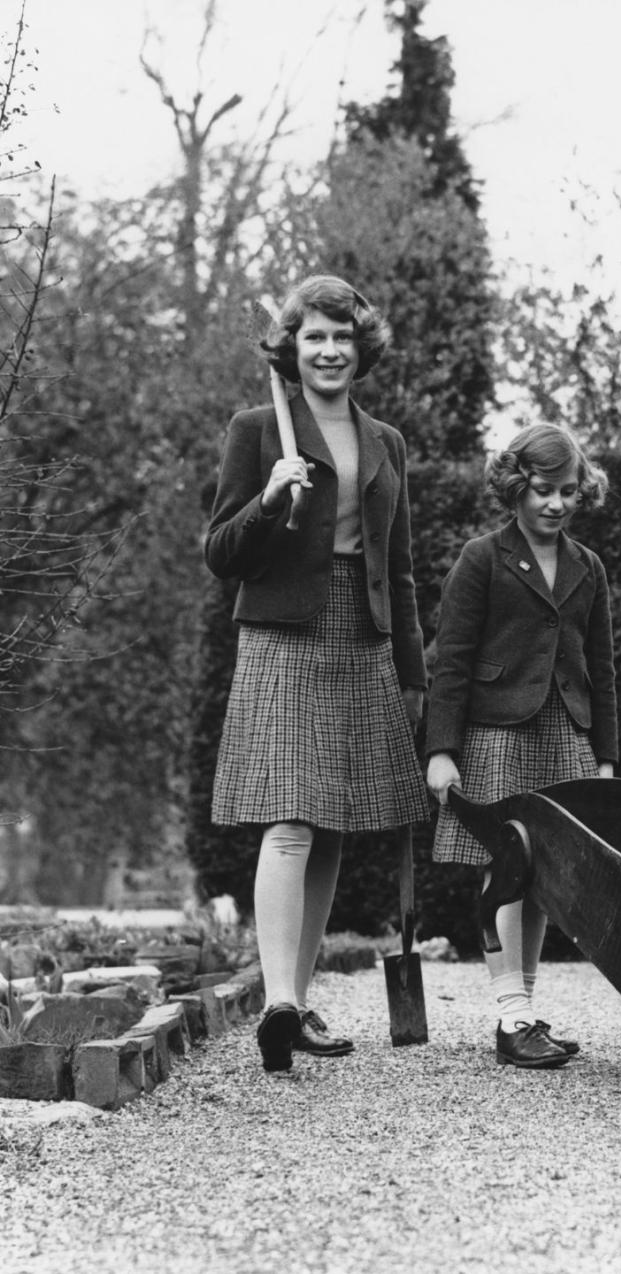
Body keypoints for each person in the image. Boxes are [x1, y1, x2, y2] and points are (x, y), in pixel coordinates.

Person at [205, 274, 429, 1073]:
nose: (329, 350)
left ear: (360, 347)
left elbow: (398, 571)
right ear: (291, 349)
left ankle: (295, 1001)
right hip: (282, 635)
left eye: (342, 336)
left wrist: (412, 676)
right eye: (314, 338)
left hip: (359, 638)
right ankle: (278, 1001)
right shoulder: (258, 429)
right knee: (291, 819)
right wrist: (268, 499)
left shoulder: (387, 443)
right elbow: (221, 554)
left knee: (330, 821)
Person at [426, 423, 617, 1069]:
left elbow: (602, 667)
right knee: (506, 867)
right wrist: (441, 749)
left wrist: (606, 755)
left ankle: (525, 1015)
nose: (555, 504)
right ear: (516, 486)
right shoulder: (482, 557)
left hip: (563, 735)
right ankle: (510, 1016)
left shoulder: (588, 567)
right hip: (497, 733)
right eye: (542, 490)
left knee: (541, 878)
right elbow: (450, 659)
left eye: (567, 491)